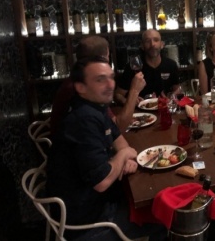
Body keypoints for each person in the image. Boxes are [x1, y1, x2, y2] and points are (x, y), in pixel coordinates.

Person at [46, 56, 165, 241]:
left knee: (154, 202)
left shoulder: (95, 108)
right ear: (80, 87)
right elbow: (102, 181)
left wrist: (123, 157)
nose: (110, 84)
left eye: (111, 77)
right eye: (100, 79)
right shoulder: (83, 119)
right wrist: (123, 156)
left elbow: (121, 142)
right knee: (165, 217)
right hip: (88, 226)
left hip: (98, 205)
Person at [50, 36, 146, 134]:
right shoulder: (83, 87)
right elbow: (117, 128)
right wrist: (134, 90)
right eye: (108, 56)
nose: (110, 84)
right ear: (101, 60)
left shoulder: (75, 79)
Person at [115, 29, 179, 102]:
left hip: (164, 109)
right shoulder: (133, 67)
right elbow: (118, 95)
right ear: (142, 46)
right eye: (148, 41)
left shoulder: (171, 65)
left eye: (156, 40)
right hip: (140, 112)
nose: (152, 44)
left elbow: (177, 90)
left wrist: (172, 97)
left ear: (162, 45)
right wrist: (129, 102)